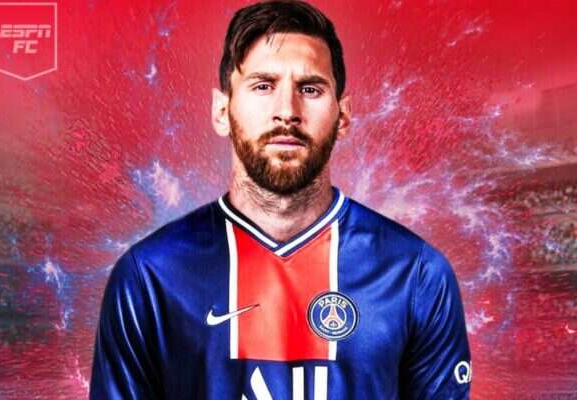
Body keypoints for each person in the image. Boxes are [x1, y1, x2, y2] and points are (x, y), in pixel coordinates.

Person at [89, 1, 472, 399]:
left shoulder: (415, 274)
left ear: (342, 116)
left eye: (310, 89)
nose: (287, 111)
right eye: (263, 86)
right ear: (221, 111)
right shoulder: (150, 275)